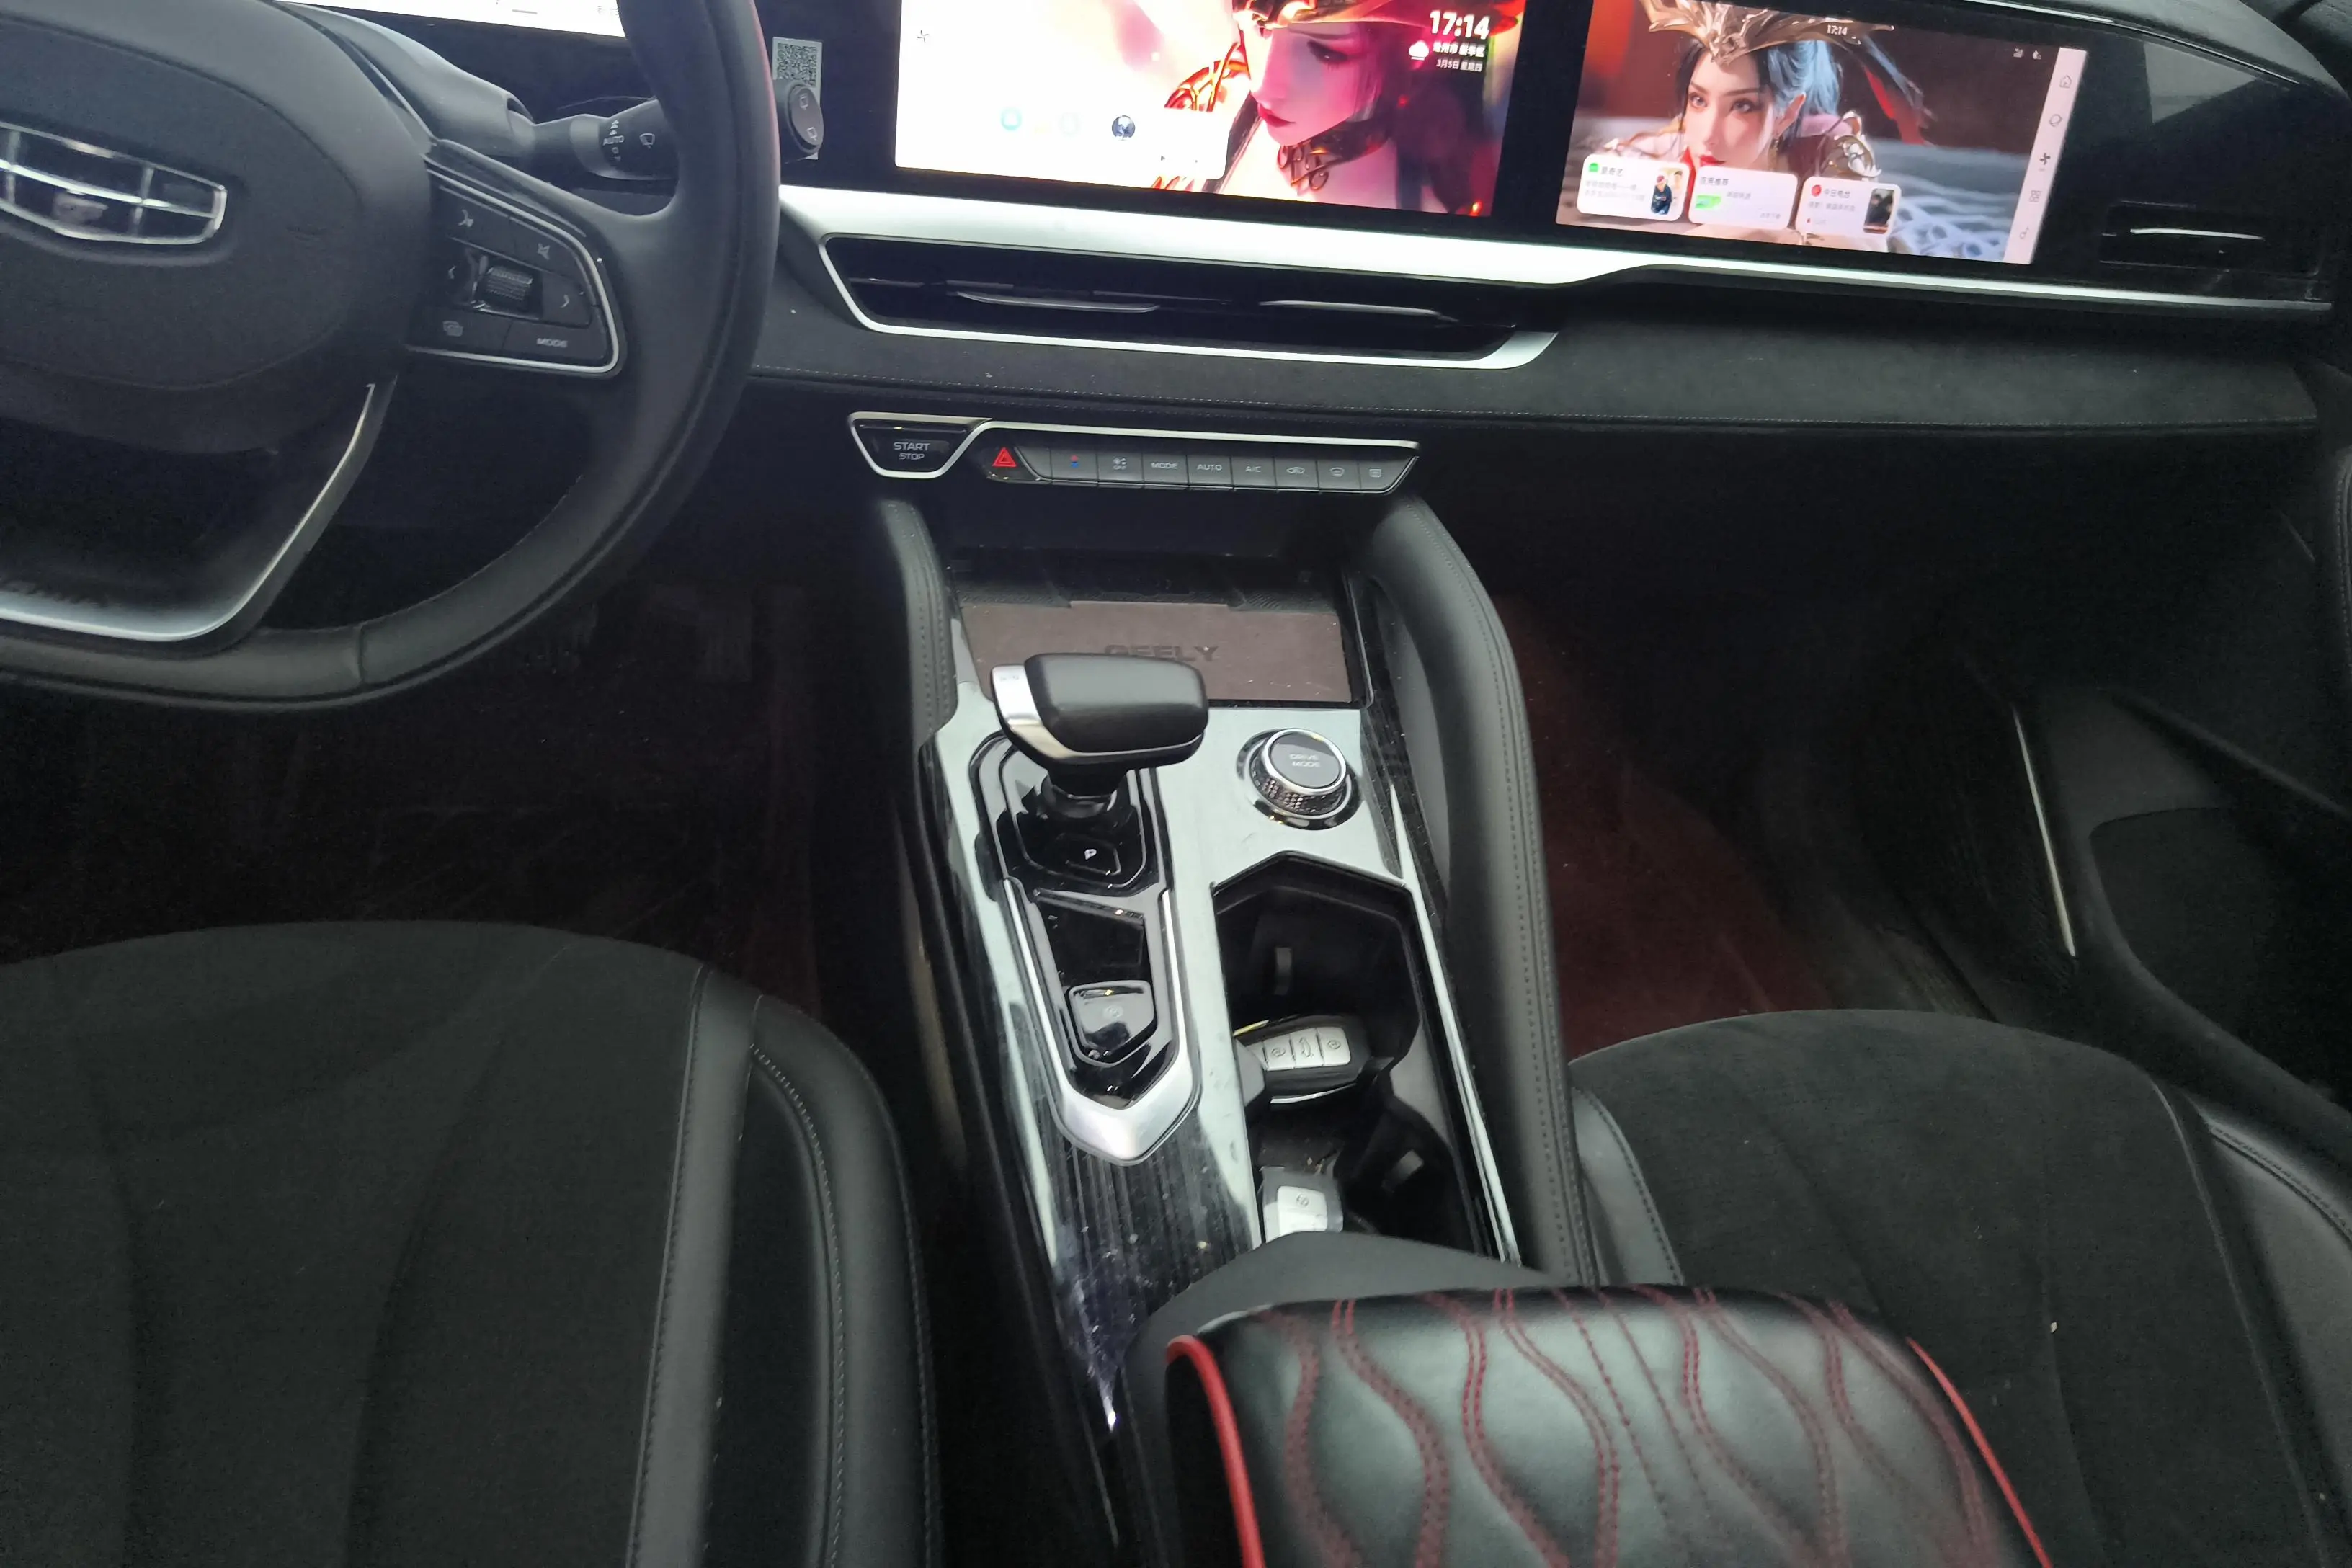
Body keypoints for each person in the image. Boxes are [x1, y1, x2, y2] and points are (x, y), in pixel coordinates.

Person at [1597, 0, 1923, 247]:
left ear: (1787, 114)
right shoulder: (1670, 152)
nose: (1708, 136)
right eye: (1698, 100)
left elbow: (1866, 244)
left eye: (1742, 106)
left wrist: (1765, 226)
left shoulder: (1828, 149)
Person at [1159, 0, 1521, 213]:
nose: (1264, 86)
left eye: (1325, 52)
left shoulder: (1429, 215)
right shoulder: (1212, 96)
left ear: (1406, 55)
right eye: (1257, 28)